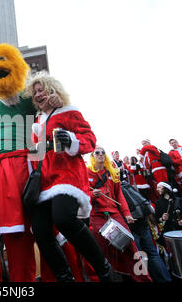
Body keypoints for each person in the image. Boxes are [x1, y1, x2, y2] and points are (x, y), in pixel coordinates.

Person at [0, 43, 60, 282]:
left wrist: (54, 100)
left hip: (20, 163)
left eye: (3, 59)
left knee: (17, 229)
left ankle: (22, 279)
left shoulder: (28, 99)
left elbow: (49, 105)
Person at [22, 71, 113, 282]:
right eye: (34, 92)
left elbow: (89, 140)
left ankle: (103, 268)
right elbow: (35, 155)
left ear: (53, 90)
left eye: (41, 89)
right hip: (43, 181)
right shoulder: (38, 120)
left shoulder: (68, 112)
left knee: (63, 219)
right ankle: (65, 277)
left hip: (66, 176)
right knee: (41, 231)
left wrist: (70, 139)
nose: (37, 95)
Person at [87, 146, 151, 282]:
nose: (100, 154)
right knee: (102, 249)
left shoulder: (112, 172)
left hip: (114, 214)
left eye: (102, 152)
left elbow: (119, 196)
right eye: (97, 152)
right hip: (97, 216)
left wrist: (127, 214)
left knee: (131, 247)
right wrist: (92, 195)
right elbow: (82, 195)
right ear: (92, 156)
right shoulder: (86, 173)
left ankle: (143, 279)